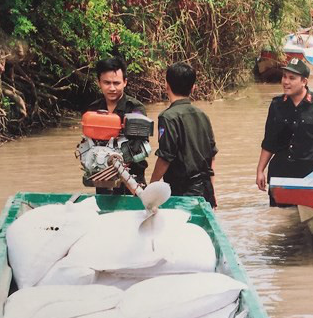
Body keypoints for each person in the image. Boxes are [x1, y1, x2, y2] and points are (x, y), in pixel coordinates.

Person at [256, 58, 313, 206]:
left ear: (304, 81)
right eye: (284, 77)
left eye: (292, 78)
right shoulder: (276, 105)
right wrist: (260, 170)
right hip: (279, 175)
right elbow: (269, 141)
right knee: (279, 219)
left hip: (308, 176)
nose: (285, 82)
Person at [150, 62, 218, 207]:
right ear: (193, 88)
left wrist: (151, 188)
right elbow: (212, 156)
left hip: (184, 193)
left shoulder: (168, 117)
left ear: (166, 85)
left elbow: (165, 158)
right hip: (206, 191)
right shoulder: (203, 115)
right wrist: (212, 193)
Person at [85, 56, 147, 195]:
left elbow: (138, 146)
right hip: (101, 179)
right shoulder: (93, 110)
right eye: (107, 83)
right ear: (99, 82)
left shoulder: (135, 109)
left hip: (132, 180)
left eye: (116, 83)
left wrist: (113, 159)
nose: (112, 88)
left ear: (125, 82)